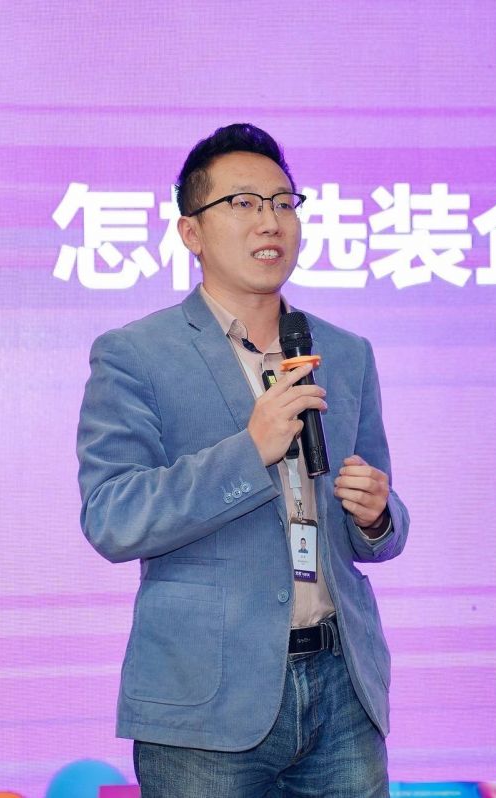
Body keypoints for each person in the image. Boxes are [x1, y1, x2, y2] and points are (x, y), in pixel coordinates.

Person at [77, 124, 409, 796]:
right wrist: (249, 453)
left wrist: (376, 515)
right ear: (191, 232)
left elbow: (377, 525)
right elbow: (113, 517)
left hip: (342, 689)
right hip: (205, 704)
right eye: (244, 203)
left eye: (284, 203)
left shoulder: (344, 352)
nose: (270, 221)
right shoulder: (135, 355)